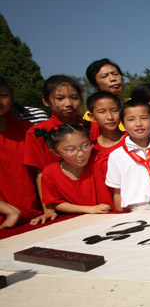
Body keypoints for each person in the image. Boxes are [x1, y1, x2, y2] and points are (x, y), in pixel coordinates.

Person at [24, 75, 99, 220]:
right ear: (45, 101)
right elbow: (40, 173)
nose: (68, 103)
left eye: (74, 97)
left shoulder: (94, 128)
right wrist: (48, 209)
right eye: (60, 98)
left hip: (94, 198)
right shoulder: (38, 132)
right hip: (61, 203)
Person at [32, 124, 113, 224]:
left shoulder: (101, 163)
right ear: (55, 152)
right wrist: (89, 209)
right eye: (71, 150)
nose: (80, 154)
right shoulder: (50, 173)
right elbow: (57, 203)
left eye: (85, 146)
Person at [106, 100, 150, 211]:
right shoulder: (116, 156)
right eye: (131, 119)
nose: (138, 123)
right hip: (134, 209)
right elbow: (117, 192)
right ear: (122, 123)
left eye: (144, 118)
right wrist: (119, 217)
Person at [0, 76, 40, 228]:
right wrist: (8, 211)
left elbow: (39, 170)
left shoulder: (25, 128)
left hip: (32, 215)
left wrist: (47, 207)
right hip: (5, 219)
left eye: (3, 95)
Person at [85, 91, 125, 181]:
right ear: (91, 116)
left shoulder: (134, 140)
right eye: (102, 112)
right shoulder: (91, 149)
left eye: (114, 110)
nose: (110, 117)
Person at [83, 59, 126, 129]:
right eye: (104, 76)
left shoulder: (137, 103)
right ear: (95, 85)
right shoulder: (92, 116)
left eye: (115, 74)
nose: (112, 78)